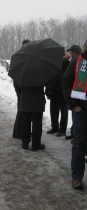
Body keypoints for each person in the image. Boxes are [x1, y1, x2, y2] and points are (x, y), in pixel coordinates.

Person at [62, 41, 87, 189]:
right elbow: (65, 83)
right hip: (81, 110)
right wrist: (73, 105)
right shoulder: (78, 62)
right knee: (79, 144)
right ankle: (77, 177)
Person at [46, 52, 70, 136]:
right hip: (53, 92)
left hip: (62, 92)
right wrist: (48, 89)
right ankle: (54, 127)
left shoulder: (66, 65)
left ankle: (62, 129)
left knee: (63, 111)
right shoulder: (53, 65)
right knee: (53, 110)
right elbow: (49, 78)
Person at [12, 39, 30, 139]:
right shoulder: (19, 56)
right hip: (20, 86)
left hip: (24, 86)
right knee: (22, 110)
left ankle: (20, 131)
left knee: (22, 110)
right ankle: (18, 131)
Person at [20, 85, 46, 151]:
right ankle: (35, 144)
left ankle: (25, 142)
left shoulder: (23, 75)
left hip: (25, 99)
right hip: (38, 100)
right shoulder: (41, 75)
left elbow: (18, 86)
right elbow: (47, 82)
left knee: (25, 122)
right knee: (37, 124)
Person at [64, 45, 82, 140]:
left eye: (71, 52)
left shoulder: (78, 62)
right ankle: (74, 133)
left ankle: (75, 134)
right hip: (74, 94)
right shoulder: (73, 62)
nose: (70, 54)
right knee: (75, 117)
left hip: (76, 94)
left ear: (75, 53)